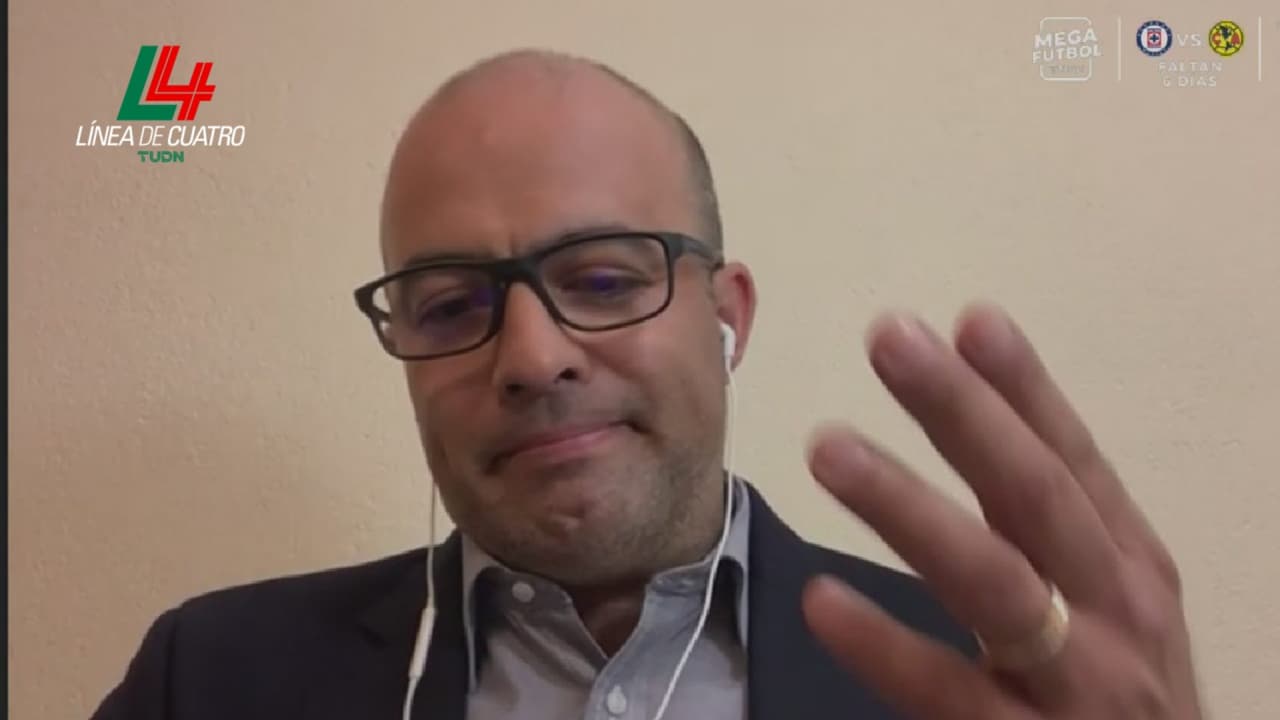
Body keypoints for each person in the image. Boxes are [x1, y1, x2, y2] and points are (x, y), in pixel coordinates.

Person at [90, 49, 1205, 720]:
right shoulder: (210, 680)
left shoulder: (980, 676)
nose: (533, 359)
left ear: (728, 317)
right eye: (452, 305)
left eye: (604, 279)